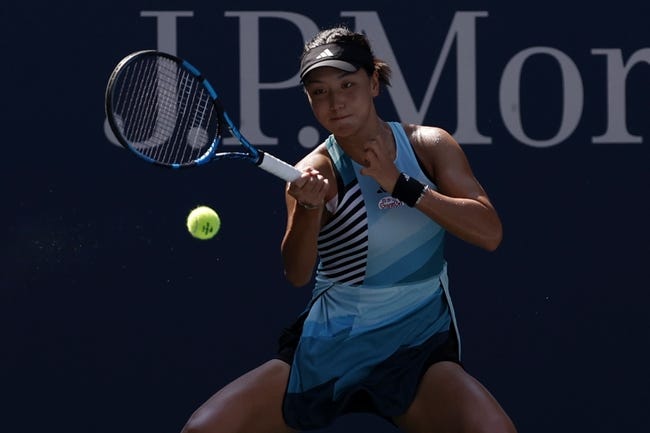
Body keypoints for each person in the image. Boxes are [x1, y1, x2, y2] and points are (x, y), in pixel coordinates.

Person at [181, 26, 517, 433]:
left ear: (374, 82)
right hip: (329, 346)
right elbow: (297, 274)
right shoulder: (315, 171)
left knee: (491, 429)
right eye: (319, 92)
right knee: (208, 428)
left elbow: (489, 232)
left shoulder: (429, 147)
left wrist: (402, 185)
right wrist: (308, 208)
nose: (335, 102)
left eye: (347, 84)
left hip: (417, 344)